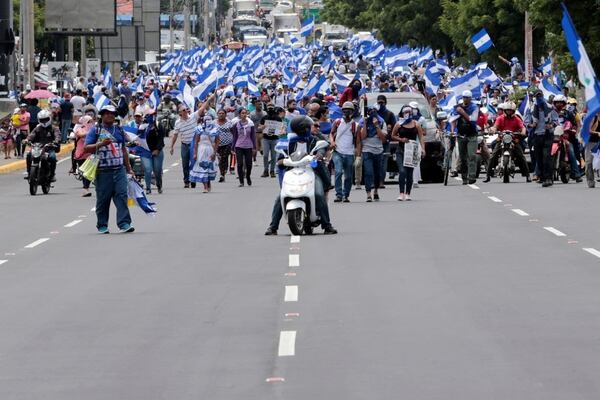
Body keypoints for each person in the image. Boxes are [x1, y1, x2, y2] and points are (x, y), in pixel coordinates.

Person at [265, 116, 338, 235]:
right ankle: (273, 227)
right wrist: (281, 162)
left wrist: (319, 155)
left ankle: (327, 225)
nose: (310, 129)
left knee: (319, 195)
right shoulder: (288, 142)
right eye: (309, 127)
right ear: (304, 129)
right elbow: (280, 158)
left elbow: (322, 149)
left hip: (311, 172)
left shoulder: (314, 140)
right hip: (292, 172)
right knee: (280, 198)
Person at [83, 105, 135, 234]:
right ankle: (102, 225)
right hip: (102, 171)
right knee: (103, 199)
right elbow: (86, 148)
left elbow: (123, 150)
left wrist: (128, 169)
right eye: (106, 113)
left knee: (122, 196)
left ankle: (124, 223)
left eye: (112, 113)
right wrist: (101, 144)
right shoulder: (95, 131)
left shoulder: (119, 130)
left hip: (119, 170)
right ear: (102, 115)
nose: (109, 115)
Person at [483, 101, 531, 182]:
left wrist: (523, 131)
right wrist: (493, 130)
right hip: (502, 139)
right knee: (492, 156)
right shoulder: (500, 118)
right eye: (507, 110)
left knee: (521, 157)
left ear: (513, 111)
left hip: (513, 140)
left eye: (510, 110)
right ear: (504, 110)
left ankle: (527, 175)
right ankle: (488, 175)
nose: (509, 112)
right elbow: (495, 126)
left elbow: (522, 127)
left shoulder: (516, 119)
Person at [391, 105, 426, 201]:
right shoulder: (399, 124)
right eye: (405, 112)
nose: (407, 114)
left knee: (409, 173)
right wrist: (401, 139)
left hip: (412, 150)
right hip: (401, 150)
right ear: (402, 114)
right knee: (402, 171)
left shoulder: (416, 124)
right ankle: (401, 192)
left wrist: (423, 149)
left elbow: (421, 137)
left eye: (409, 112)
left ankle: (408, 193)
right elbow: (393, 136)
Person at [330, 102, 359, 202]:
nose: (346, 112)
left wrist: (358, 153)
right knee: (338, 172)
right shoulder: (337, 122)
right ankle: (339, 194)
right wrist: (332, 142)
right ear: (342, 111)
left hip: (350, 153)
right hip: (337, 152)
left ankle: (346, 194)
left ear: (352, 112)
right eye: (345, 110)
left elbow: (358, 140)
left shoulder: (356, 125)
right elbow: (331, 133)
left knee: (349, 176)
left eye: (349, 110)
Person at [530, 90, 558, 187]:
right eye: (537, 96)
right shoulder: (532, 109)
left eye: (540, 96)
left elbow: (556, 121)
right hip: (537, 135)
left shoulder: (550, 108)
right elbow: (526, 122)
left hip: (547, 135)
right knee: (539, 157)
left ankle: (548, 178)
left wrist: (551, 125)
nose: (539, 98)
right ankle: (541, 176)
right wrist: (531, 125)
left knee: (547, 157)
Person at [24, 110, 61, 182]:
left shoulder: (54, 128)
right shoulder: (37, 128)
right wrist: (27, 140)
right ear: (39, 120)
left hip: (49, 148)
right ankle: (29, 173)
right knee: (29, 155)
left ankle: (52, 175)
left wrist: (56, 142)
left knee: (52, 157)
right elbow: (32, 135)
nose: (44, 121)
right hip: (38, 148)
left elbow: (58, 136)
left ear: (49, 118)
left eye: (46, 119)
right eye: (42, 120)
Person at [170, 104, 201, 188]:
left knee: (194, 162)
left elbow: (202, 108)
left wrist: (209, 99)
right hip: (184, 145)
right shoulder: (177, 122)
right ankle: (186, 181)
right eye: (183, 110)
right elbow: (175, 135)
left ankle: (193, 178)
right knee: (185, 164)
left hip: (193, 145)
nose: (186, 111)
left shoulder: (193, 117)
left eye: (186, 109)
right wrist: (172, 146)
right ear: (180, 113)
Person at [360, 106, 386, 202]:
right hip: (367, 150)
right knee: (368, 172)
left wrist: (376, 126)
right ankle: (368, 193)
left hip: (378, 150)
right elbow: (363, 136)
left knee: (377, 173)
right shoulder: (363, 122)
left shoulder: (382, 122)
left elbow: (383, 139)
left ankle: (375, 191)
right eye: (370, 112)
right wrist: (366, 124)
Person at [454, 90, 479, 185]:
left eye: (467, 97)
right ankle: (464, 177)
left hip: (472, 135)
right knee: (463, 158)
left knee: (471, 156)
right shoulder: (458, 107)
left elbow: (473, 120)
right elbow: (452, 118)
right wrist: (452, 130)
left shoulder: (474, 107)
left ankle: (472, 176)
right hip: (461, 135)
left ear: (470, 98)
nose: (465, 99)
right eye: (464, 97)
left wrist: (463, 112)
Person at [190, 116, 219, 193]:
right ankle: (205, 186)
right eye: (206, 120)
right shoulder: (199, 129)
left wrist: (214, 153)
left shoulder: (215, 129)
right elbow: (196, 142)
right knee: (202, 167)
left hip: (210, 150)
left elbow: (217, 142)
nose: (207, 121)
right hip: (201, 150)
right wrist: (195, 153)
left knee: (209, 168)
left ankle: (208, 182)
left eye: (209, 120)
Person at [231, 108, 257, 187]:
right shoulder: (236, 125)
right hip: (239, 146)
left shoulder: (250, 124)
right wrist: (232, 147)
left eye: (245, 113)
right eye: (242, 113)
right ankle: (241, 181)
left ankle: (248, 176)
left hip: (248, 145)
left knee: (249, 163)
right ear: (239, 114)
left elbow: (253, 136)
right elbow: (235, 137)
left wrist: (254, 147)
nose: (244, 114)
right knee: (240, 164)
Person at [140, 113, 165, 194]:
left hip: (157, 151)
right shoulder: (142, 127)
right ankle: (148, 188)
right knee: (148, 169)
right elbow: (138, 138)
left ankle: (159, 185)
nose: (150, 117)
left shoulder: (158, 125)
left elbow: (161, 139)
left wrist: (157, 149)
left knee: (157, 170)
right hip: (145, 151)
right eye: (148, 116)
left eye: (151, 115)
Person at [376, 95, 397, 185]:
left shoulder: (390, 114)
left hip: (385, 142)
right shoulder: (374, 113)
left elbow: (395, 127)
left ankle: (381, 181)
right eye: (379, 102)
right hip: (374, 141)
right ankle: (375, 181)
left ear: (385, 103)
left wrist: (389, 130)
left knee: (383, 162)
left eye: (382, 102)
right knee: (376, 162)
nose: (380, 104)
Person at [73, 115, 94, 197]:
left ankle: (86, 188)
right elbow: (81, 135)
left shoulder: (94, 130)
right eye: (88, 121)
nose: (90, 123)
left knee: (88, 172)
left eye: (91, 121)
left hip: (91, 154)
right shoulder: (79, 129)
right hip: (81, 154)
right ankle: (85, 188)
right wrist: (91, 132)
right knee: (85, 173)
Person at [259, 103, 282, 178]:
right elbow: (259, 128)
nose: (270, 109)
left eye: (272, 108)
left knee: (274, 156)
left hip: (275, 139)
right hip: (266, 138)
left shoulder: (278, 118)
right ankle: (266, 170)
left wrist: (280, 131)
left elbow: (281, 128)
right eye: (269, 108)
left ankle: (272, 171)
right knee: (265, 155)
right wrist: (262, 127)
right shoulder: (264, 117)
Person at [215, 109, 233, 182]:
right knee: (220, 159)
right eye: (219, 113)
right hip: (217, 144)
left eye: (222, 113)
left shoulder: (229, 122)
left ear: (225, 114)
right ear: (217, 114)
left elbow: (233, 132)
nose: (221, 114)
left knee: (224, 157)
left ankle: (222, 174)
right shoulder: (214, 123)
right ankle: (223, 172)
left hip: (227, 143)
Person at [585, 114, 599, 188]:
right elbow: (589, 130)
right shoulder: (594, 117)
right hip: (592, 142)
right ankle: (590, 180)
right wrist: (597, 133)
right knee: (589, 161)